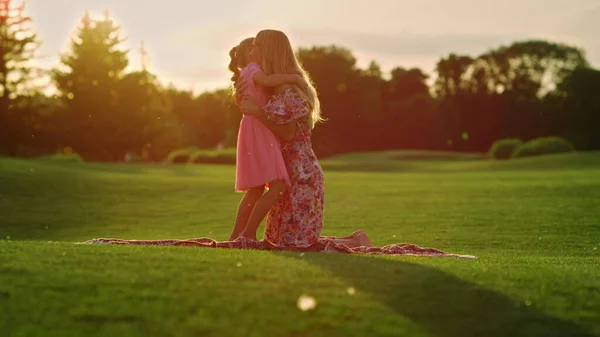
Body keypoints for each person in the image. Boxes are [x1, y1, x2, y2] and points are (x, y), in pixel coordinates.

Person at [238, 29, 373, 248]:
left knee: (296, 243)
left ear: (268, 52)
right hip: (287, 170)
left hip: (301, 173)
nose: (252, 52)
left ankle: (357, 241)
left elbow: (287, 133)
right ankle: (354, 239)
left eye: (256, 48)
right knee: (281, 241)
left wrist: (257, 112)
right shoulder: (274, 87)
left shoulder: (287, 89)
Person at [227, 37, 306, 241]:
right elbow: (268, 81)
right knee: (277, 186)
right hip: (259, 128)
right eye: (254, 47)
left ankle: (237, 234)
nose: (258, 49)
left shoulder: (246, 72)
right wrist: (295, 78)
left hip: (251, 127)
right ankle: (249, 233)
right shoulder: (253, 68)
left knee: (256, 189)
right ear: (249, 53)